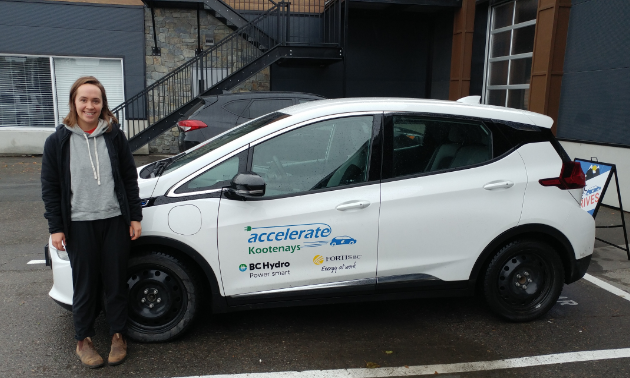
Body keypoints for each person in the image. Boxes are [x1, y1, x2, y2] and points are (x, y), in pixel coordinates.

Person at [41, 76, 142, 368]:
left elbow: (128, 179)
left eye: (95, 100)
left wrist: (134, 216)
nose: (89, 106)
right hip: (78, 224)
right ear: (74, 102)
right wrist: (56, 227)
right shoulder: (57, 141)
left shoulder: (114, 136)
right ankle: (83, 340)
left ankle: (118, 336)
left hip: (114, 221)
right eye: (83, 100)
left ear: (103, 104)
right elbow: (50, 187)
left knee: (115, 283)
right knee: (84, 285)